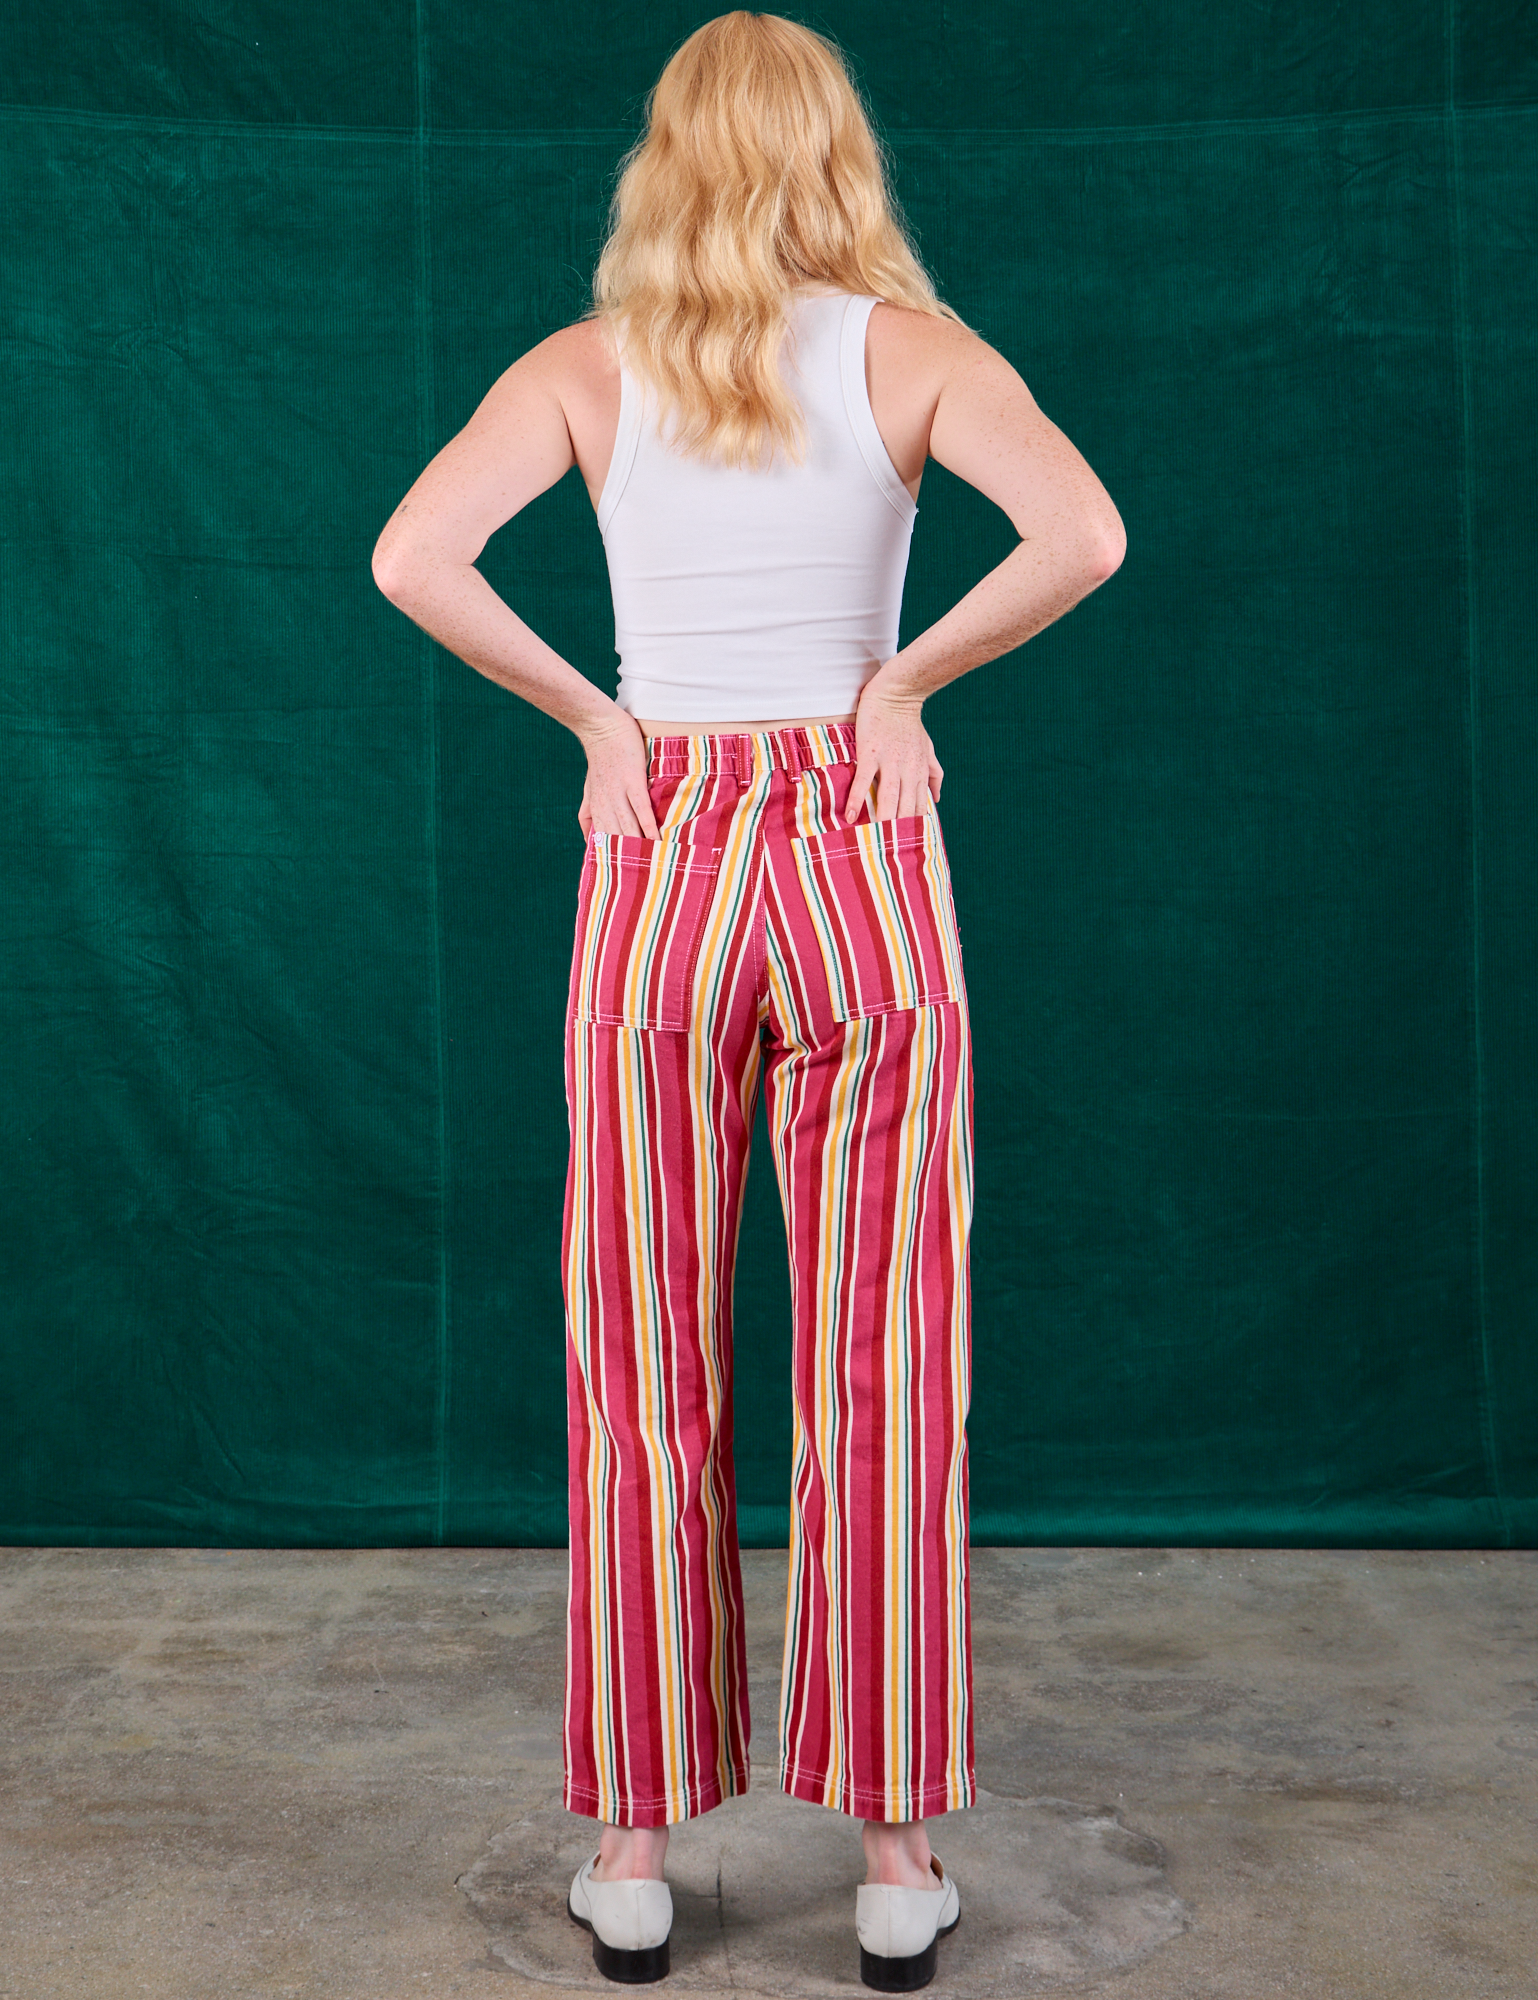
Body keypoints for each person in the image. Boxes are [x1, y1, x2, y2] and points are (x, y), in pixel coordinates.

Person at [373, 11, 1123, 1989]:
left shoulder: (585, 368)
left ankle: (630, 1847)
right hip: (859, 843)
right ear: (832, 153)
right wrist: (902, 686)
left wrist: (599, 721)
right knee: (883, 1358)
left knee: (637, 1356)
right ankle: (893, 1864)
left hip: (663, 854)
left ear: (670, 158)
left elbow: (412, 556)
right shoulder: (915, 353)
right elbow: (1084, 531)